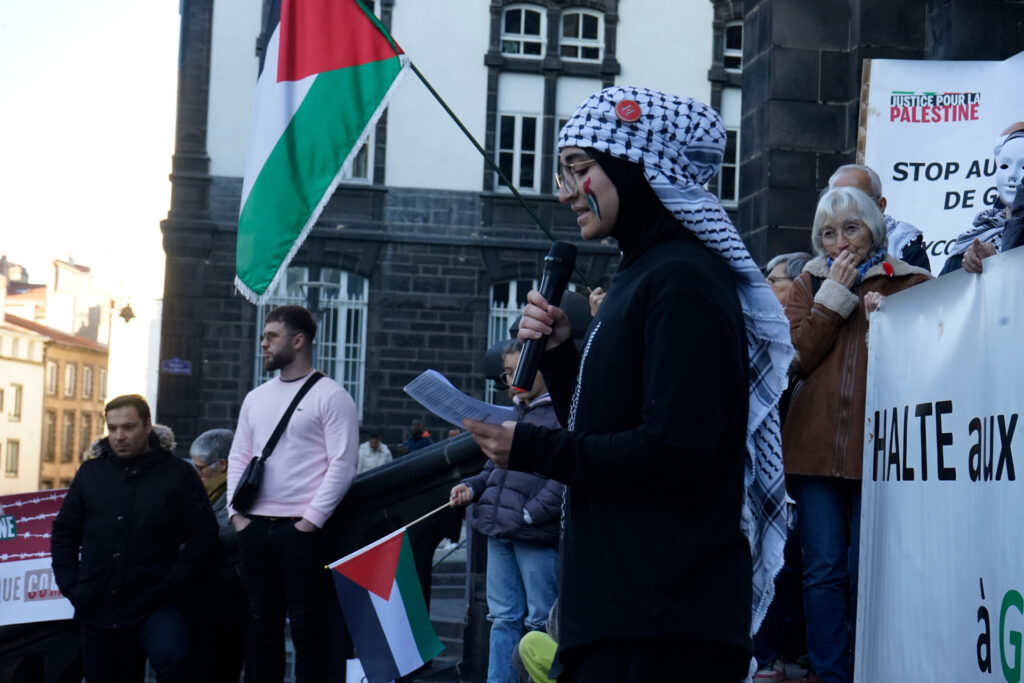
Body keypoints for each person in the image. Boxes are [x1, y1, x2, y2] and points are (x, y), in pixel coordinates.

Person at [462, 86, 794, 682]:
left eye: (580, 170)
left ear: (637, 169)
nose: (565, 193)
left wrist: (531, 447)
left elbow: (673, 451)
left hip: (661, 628)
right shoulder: (644, 272)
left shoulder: (683, 280)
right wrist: (563, 357)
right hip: (627, 617)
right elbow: (605, 429)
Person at [782, 187, 931, 683]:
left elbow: (929, 364)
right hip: (814, 449)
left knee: (867, 568)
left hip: (882, 450)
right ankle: (831, 674)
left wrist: (885, 331)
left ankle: (873, 667)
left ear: (875, 228)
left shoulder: (910, 282)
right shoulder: (808, 281)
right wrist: (832, 300)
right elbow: (795, 360)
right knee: (822, 570)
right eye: (828, 232)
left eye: (851, 228)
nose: (840, 242)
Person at [227, 305, 359, 683]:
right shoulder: (256, 397)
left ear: (298, 341)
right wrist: (237, 516)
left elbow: (343, 464)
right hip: (254, 528)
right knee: (260, 626)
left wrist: (309, 522)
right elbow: (239, 456)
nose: (263, 343)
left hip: (302, 532)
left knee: (308, 628)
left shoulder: (332, 397)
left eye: (271, 336)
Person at [50, 394, 218, 682]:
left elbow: (203, 535)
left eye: (128, 427)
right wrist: (72, 585)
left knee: (175, 659)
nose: (119, 436)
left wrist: (173, 583)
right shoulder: (91, 474)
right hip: (98, 603)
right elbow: (65, 531)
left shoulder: (178, 474)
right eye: (112, 428)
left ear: (147, 426)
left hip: (157, 600)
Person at [450, 342, 563, 683]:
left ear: (543, 369)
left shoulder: (559, 412)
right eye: (508, 373)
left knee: (539, 620)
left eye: (519, 370)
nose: (513, 379)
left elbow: (561, 479)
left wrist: (530, 514)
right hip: (499, 528)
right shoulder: (513, 412)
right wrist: (473, 487)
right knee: (502, 618)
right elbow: (492, 470)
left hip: (533, 532)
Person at [189, 428, 246, 683]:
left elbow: (227, 535)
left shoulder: (239, 493)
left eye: (200, 468)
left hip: (227, 594)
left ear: (222, 465)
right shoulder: (206, 491)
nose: (196, 474)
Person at [941, 122, 1024, 274]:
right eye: (1005, 164)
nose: (1012, 174)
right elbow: (940, 295)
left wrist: (997, 267)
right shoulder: (972, 241)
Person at [828, 164, 930, 271]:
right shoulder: (825, 248)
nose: (845, 209)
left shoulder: (906, 252)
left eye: (856, 201)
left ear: (880, 206)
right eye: (836, 201)